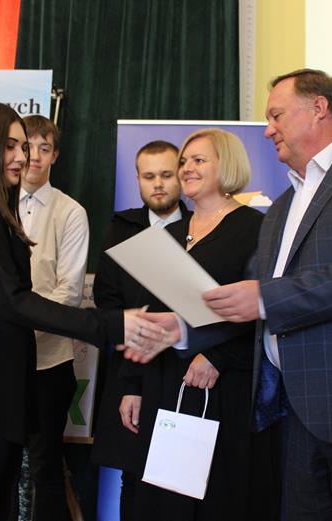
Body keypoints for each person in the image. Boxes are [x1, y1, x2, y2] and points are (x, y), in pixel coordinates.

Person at [126, 69, 332, 521]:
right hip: (294, 416)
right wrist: (182, 328)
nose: (268, 130)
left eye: (276, 116)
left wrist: (265, 298)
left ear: (319, 108)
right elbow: (246, 302)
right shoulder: (283, 206)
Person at [0, 101, 165, 521]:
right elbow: (11, 299)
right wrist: (113, 323)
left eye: (25, 147)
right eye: (10, 146)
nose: (22, 157)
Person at [131, 129, 277, 520]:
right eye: (184, 161)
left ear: (226, 165)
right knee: (164, 496)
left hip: (221, 384)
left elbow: (265, 310)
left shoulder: (256, 229)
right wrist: (135, 384)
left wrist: (218, 356)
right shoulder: (169, 233)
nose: (187, 168)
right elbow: (155, 310)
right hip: (165, 380)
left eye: (199, 160)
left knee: (215, 496)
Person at [91, 139, 188, 519]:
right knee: (132, 476)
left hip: (184, 372)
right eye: (149, 177)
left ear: (181, 175)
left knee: (180, 480)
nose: (158, 184)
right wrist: (131, 379)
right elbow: (107, 300)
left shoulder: (204, 226)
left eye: (166, 174)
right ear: (137, 179)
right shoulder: (122, 227)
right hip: (129, 369)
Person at [17, 114, 89, 521]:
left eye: (44, 149)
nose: (35, 157)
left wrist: (22, 329)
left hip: (49, 361)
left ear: (55, 156)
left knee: (45, 466)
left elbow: (70, 292)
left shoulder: (70, 212)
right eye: (27, 148)